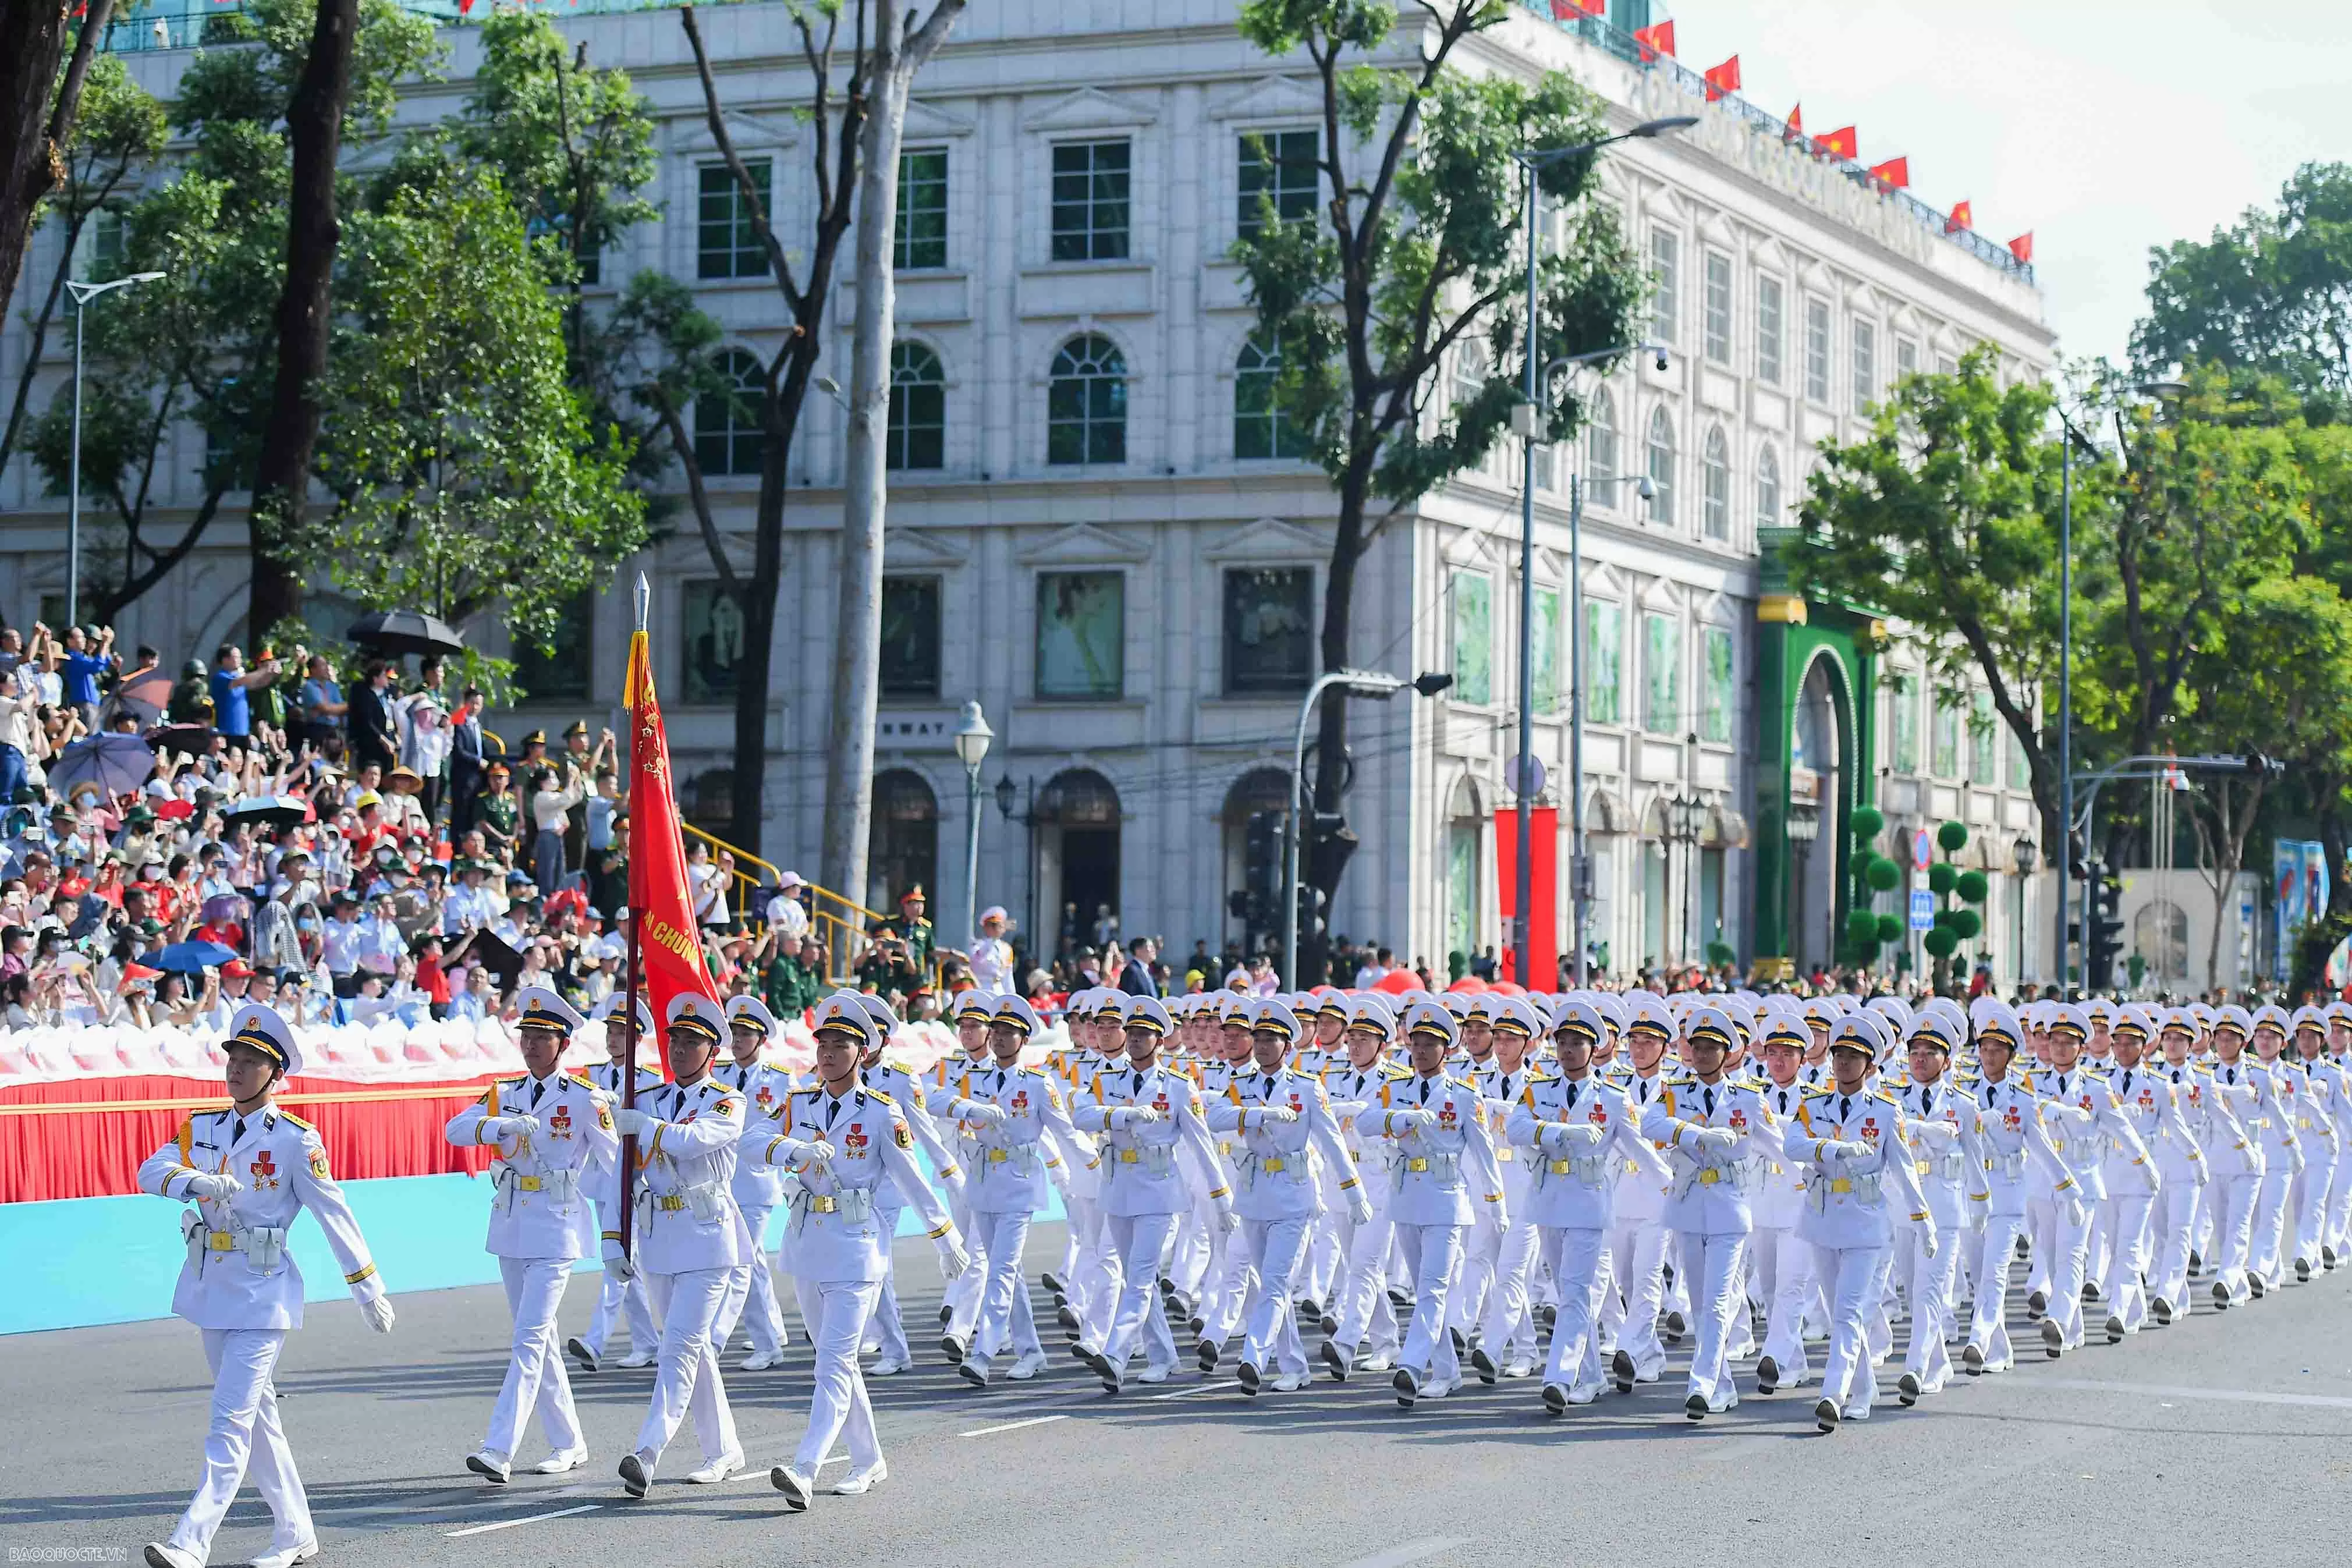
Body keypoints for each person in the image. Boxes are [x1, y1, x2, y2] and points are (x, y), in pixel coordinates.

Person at [136, 1002, 395, 1568]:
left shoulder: (296, 1141)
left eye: (253, 1061)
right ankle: (295, 1532)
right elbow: (148, 1171)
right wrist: (193, 1178)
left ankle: (191, 1541)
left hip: (264, 1292)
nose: (238, 1068)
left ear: (276, 1075)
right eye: (235, 1056)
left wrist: (367, 1287)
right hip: (211, 1288)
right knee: (257, 1420)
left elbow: (335, 1212)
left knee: (230, 1419)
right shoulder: (202, 1127)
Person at [753, 994, 968, 1509]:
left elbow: (912, 1180)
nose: (827, 1052)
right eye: (822, 1043)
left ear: (861, 1052)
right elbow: (751, 1142)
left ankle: (805, 1466)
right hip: (806, 1243)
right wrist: (789, 1150)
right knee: (838, 1363)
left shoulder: (879, 1111)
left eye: (840, 1044)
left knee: (832, 1361)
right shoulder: (798, 1104)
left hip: (857, 1247)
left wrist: (946, 1238)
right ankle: (869, 1459)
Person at [442, 987, 618, 1483]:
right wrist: (497, 1127)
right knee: (537, 1339)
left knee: (528, 1338)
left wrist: (620, 1228)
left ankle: (499, 1447)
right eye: (527, 1035)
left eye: (543, 1036)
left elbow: (616, 1161)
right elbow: (456, 1129)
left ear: (564, 1044)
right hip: (512, 1222)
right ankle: (569, 1441)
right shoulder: (505, 1092)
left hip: (559, 1225)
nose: (533, 1044)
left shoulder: (584, 1099)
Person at [608, 994, 748, 1496]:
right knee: (691, 1352)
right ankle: (724, 1449)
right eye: (676, 1040)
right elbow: (620, 1176)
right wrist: (612, 1240)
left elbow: (695, 1142)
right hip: (659, 1238)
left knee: (680, 1348)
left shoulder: (727, 1100)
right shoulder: (646, 1097)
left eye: (693, 1042)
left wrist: (646, 1128)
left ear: (713, 1052)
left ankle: (647, 1451)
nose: (682, 1050)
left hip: (709, 1239)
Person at [1354, 998, 1507, 1407]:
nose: (1420, 1051)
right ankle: (1447, 1372)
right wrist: (1399, 1120)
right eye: (1416, 1043)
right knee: (1427, 1289)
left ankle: (1412, 1363)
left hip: (1446, 1200)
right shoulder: (1395, 1087)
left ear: (1447, 1049)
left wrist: (1496, 1205)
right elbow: (1365, 1123)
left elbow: (1484, 1152)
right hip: (1406, 1198)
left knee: (1432, 1291)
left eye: (1429, 1044)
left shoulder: (1462, 1095)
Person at [940, 994, 1083, 1386]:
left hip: (1019, 1186)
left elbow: (1065, 1131)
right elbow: (935, 1098)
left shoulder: (1037, 1084)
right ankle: (1031, 1350)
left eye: (1009, 1033)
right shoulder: (974, 1079)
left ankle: (983, 1352)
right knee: (1010, 1272)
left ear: (1023, 1040)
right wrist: (968, 1109)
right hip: (982, 1183)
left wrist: (1087, 1169)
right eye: (997, 1032)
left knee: (1000, 1270)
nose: (1000, 1039)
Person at [567, 995, 662, 1374]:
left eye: (622, 1032)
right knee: (626, 1263)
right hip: (602, 1180)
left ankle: (596, 1340)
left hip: (632, 1183)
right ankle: (647, 1342)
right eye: (610, 1030)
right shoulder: (591, 1076)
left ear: (637, 1040)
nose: (613, 1038)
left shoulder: (650, 1083)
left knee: (617, 1261)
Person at [708, 995, 799, 1372]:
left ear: (762, 1039)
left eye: (747, 1034)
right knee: (754, 1261)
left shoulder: (779, 1079)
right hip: (723, 1181)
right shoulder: (719, 1075)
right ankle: (771, 1335)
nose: (739, 1039)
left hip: (759, 1183)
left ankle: (713, 1339)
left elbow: (793, 1125)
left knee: (739, 1261)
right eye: (734, 1032)